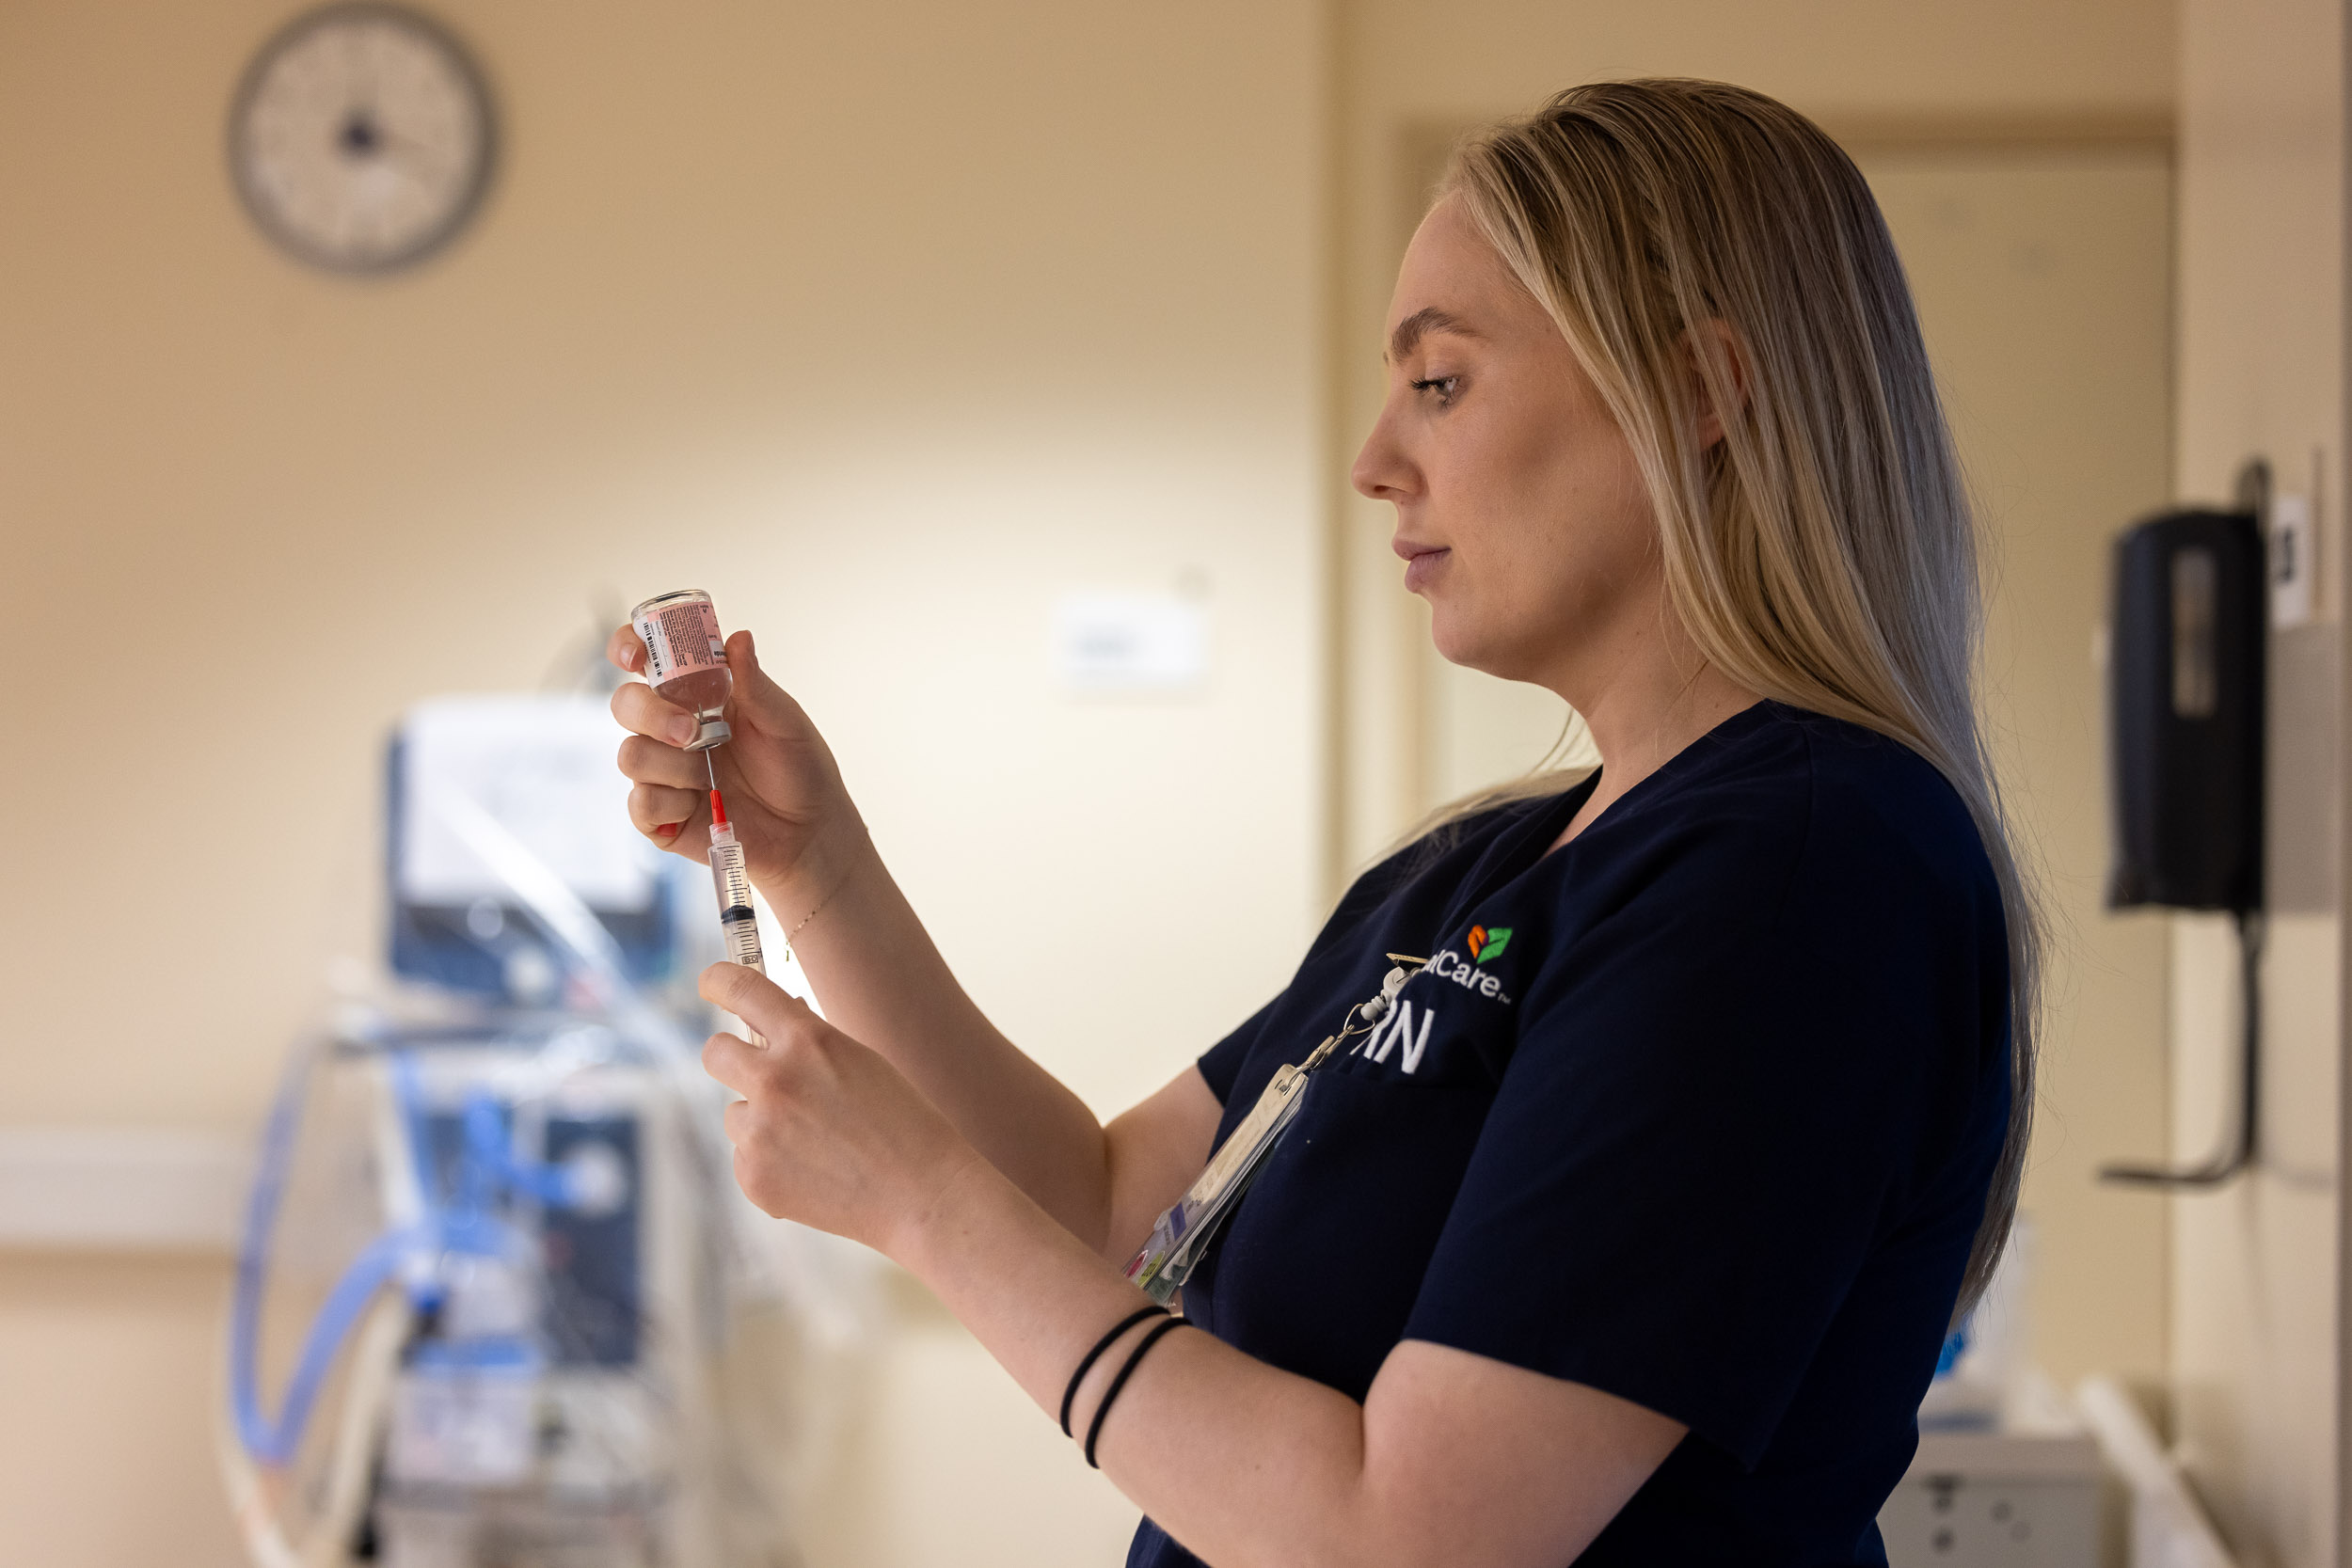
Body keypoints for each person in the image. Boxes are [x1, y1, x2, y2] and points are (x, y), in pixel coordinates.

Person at [607, 78, 2038, 1568]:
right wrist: (815, 861)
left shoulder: (1799, 875)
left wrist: (921, 1206)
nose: (1375, 462)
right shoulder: (1483, 872)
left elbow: (1410, 1541)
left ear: (1697, 393)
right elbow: (1108, 1212)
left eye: (1440, 383)